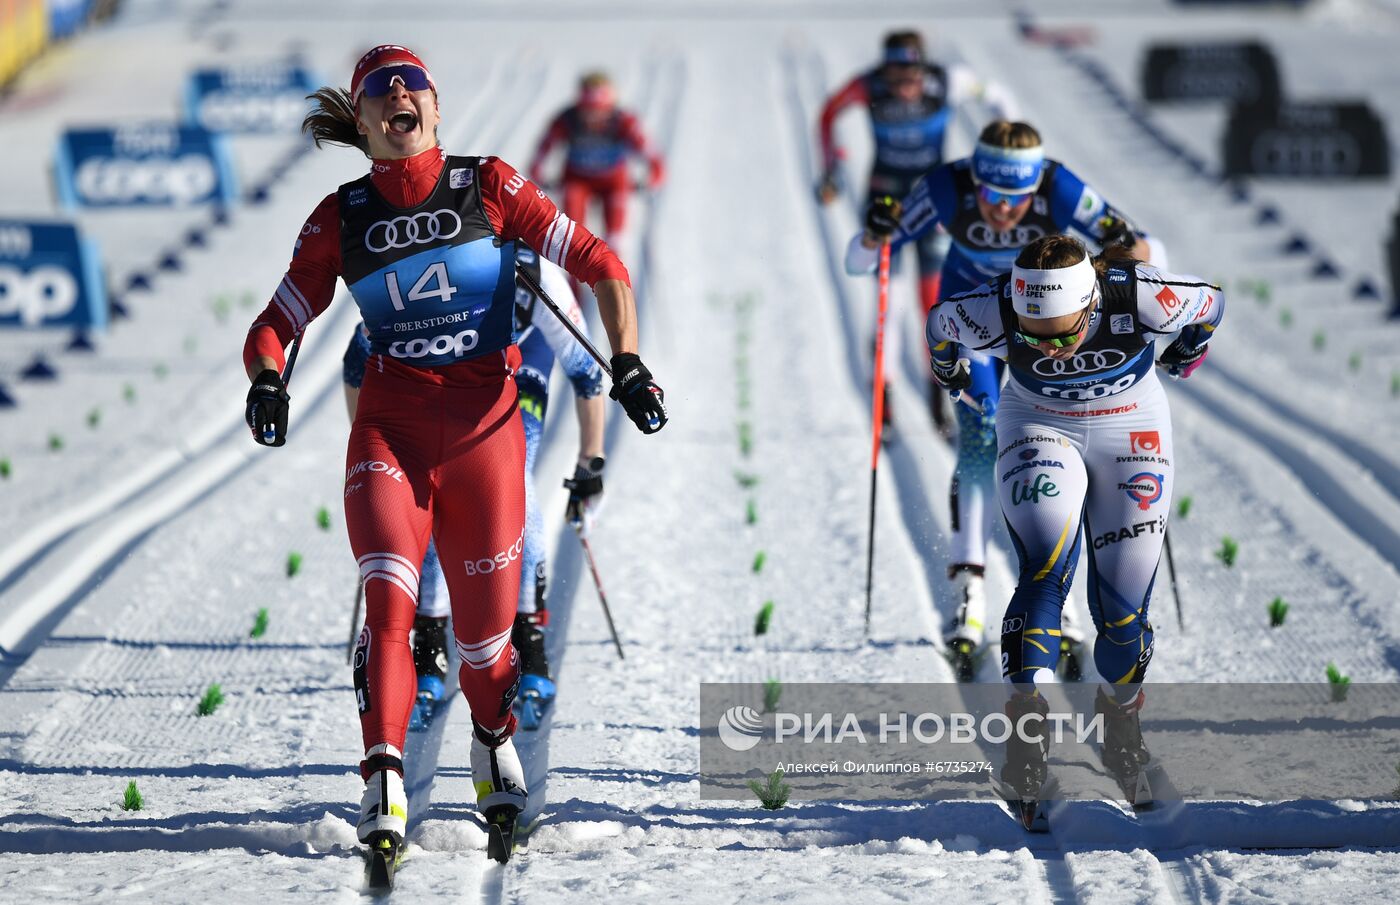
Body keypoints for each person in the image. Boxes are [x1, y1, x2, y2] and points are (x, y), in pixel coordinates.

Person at [241, 45, 667, 861]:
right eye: (378, 89)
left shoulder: (493, 185)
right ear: (362, 122)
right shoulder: (341, 215)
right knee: (390, 603)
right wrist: (267, 379)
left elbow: (601, 264)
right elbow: (277, 319)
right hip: (391, 435)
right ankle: (383, 776)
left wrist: (629, 362)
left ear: (435, 111)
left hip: (487, 437)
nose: (397, 94)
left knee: (485, 649)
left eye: (412, 85)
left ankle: (491, 736)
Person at [923, 233, 1223, 804]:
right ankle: (1024, 732)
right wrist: (952, 377)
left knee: (1121, 614)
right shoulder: (998, 307)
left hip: (1130, 426)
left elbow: (1211, 301)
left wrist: (1188, 350)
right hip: (1038, 424)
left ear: (1089, 303)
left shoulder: (1137, 295)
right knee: (1045, 567)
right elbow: (941, 325)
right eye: (1033, 337)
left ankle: (1121, 717)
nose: (1051, 347)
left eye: (1063, 331)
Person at [847, 119, 1152, 680]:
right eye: (990, 195)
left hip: (1049, 327)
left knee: (1068, 450)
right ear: (976, 182)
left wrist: (1122, 249)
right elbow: (860, 261)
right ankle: (971, 594)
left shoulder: (1059, 187)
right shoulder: (947, 186)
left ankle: (1063, 610)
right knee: (983, 437)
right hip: (976, 321)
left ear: (1033, 187)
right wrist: (874, 232)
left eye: (1014, 199)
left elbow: (1142, 250)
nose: (1001, 212)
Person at [339, 247, 607, 732]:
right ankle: (430, 640)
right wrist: (369, 448)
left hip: (519, 362)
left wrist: (591, 462)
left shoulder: (535, 270)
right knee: (429, 494)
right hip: (439, 378)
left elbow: (587, 372)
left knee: (513, 482)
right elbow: (357, 363)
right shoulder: (426, 265)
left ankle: (528, 638)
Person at [817, 29, 1018, 434]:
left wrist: (1006, 150)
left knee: (934, 305)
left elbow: (997, 96)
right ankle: (885, 404)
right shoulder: (866, 83)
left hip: (935, 204)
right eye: (894, 78)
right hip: (885, 201)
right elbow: (828, 114)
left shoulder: (949, 81)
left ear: (923, 69)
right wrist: (831, 166)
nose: (903, 87)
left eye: (910, 76)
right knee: (890, 307)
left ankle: (937, 400)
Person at [527, 71, 665, 249]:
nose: (593, 118)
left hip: (613, 181)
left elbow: (652, 155)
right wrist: (540, 175)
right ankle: (573, 275)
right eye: (588, 111)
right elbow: (542, 150)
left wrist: (650, 179)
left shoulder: (624, 121)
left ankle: (615, 275)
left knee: (615, 237)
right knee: (572, 236)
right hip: (577, 179)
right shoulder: (566, 120)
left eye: (600, 111)